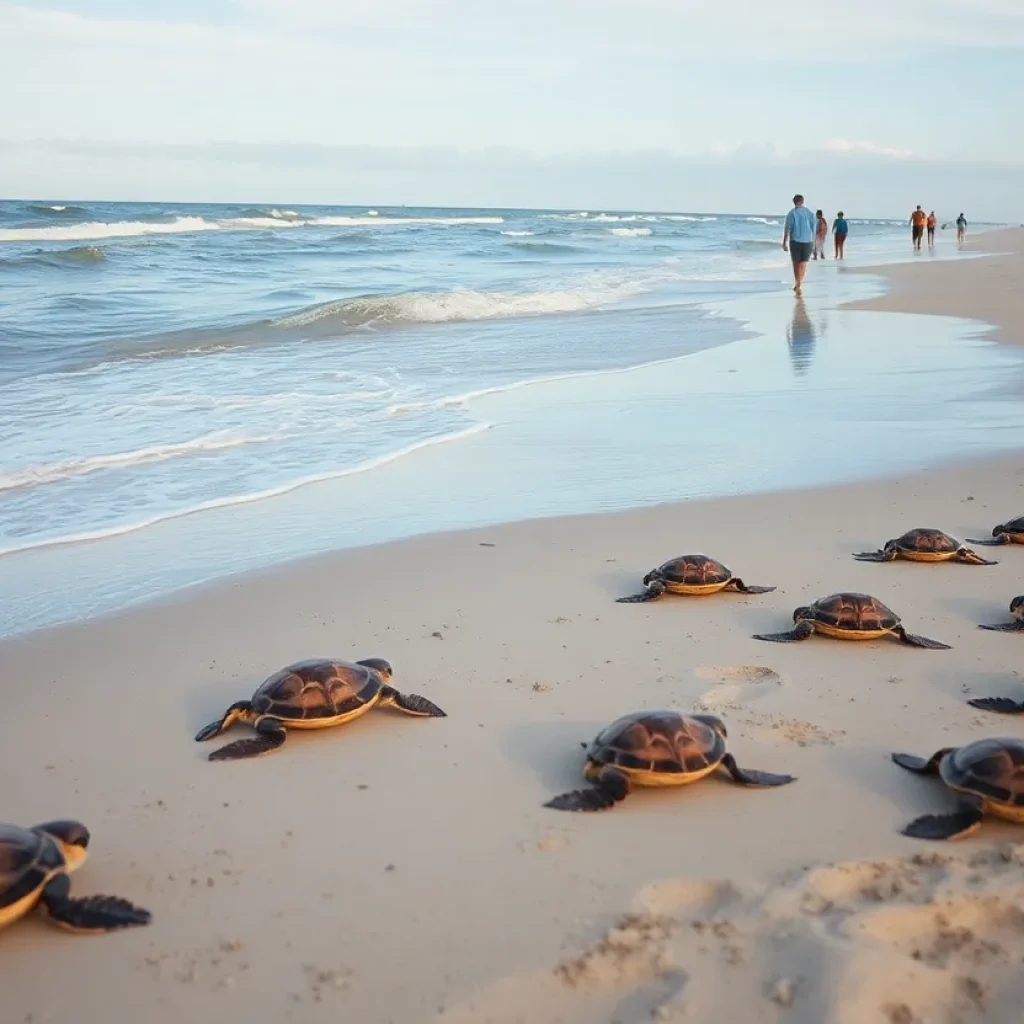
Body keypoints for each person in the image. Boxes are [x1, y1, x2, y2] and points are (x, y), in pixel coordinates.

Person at [782, 194, 816, 293]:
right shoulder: (809, 213)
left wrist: (784, 242)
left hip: (795, 241)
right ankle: (800, 282)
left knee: (796, 263)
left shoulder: (791, 213)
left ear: (794, 201)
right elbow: (813, 228)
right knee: (804, 263)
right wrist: (813, 241)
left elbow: (787, 229)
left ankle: (798, 282)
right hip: (808, 241)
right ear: (803, 201)